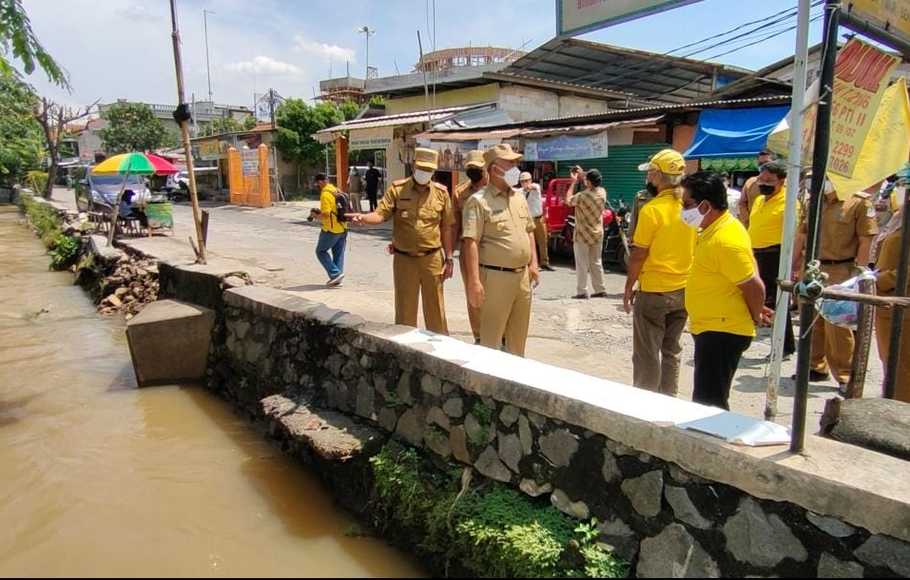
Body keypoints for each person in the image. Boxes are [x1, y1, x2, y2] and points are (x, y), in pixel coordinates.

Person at [681, 172, 770, 410]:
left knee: (709, 403)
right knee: (709, 399)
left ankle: (713, 445)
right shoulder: (715, 230)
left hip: (722, 330)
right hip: (713, 326)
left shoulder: (725, 239)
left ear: (705, 205)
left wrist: (755, 313)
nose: (682, 210)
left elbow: (754, 285)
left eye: (687, 204)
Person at [350, 148, 455, 334]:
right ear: (414, 166)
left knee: (436, 310)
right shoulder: (398, 190)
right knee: (405, 313)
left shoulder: (441, 193)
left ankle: (440, 350)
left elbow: (447, 227)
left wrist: (449, 258)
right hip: (404, 260)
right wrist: (364, 218)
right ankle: (406, 352)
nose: (425, 173)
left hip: (432, 259)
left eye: (429, 170)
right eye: (422, 168)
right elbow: (380, 215)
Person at [792, 177, 879, 392]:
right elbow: (802, 235)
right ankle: (815, 365)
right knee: (810, 319)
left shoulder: (858, 202)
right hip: (812, 268)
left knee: (837, 326)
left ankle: (845, 375)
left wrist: (861, 273)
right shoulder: (814, 202)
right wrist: (793, 266)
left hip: (841, 269)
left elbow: (865, 240)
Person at [624, 149, 695, 396]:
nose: (648, 179)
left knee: (646, 353)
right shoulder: (690, 209)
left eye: (650, 174)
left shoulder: (652, 210)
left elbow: (639, 254)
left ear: (657, 175)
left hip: (654, 290)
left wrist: (628, 286)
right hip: (683, 290)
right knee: (672, 350)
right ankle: (669, 399)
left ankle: (645, 404)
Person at [462, 144, 540, 356]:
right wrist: (474, 281)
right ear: (494, 168)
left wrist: (534, 264)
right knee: (491, 342)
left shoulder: (519, 197)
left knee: (518, 340)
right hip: (495, 277)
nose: (515, 167)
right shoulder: (478, 201)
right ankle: (485, 387)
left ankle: (514, 384)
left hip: (522, 277)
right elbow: (471, 242)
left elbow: (530, 231)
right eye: (510, 163)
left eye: (516, 162)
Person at [748, 160, 796, 358]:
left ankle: (784, 346)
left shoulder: (790, 203)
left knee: (778, 301)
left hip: (775, 255)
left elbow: (795, 234)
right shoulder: (760, 200)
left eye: (769, 180)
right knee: (762, 299)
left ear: (782, 181)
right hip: (756, 254)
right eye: (761, 179)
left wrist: (793, 264)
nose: (763, 183)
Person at [874, 203, 909, 403]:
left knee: (902, 366)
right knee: (891, 361)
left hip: (901, 305)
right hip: (887, 304)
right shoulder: (900, 217)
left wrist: (881, 280)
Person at [454, 150, 488, 343]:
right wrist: (448, 253)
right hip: (468, 251)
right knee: (473, 293)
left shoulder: (495, 189)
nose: (475, 171)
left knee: (495, 294)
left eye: (478, 168)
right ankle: (479, 336)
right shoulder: (460, 192)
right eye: (471, 168)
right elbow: (454, 225)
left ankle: (498, 334)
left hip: (492, 251)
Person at [566, 168, 607, 299]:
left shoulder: (582, 196)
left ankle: (582, 291)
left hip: (582, 234)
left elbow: (568, 200)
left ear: (588, 182)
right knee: (596, 262)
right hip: (597, 233)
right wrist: (582, 173)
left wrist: (573, 182)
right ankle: (600, 289)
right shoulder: (602, 193)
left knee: (582, 264)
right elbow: (591, 181)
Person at [314, 173, 347, 287]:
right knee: (338, 253)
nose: (317, 185)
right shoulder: (336, 190)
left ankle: (335, 274)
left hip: (331, 229)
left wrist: (315, 216)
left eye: (317, 183)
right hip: (343, 227)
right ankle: (337, 278)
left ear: (320, 182)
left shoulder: (325, 194)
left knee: (320, 251)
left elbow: (326, 213)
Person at [520, 172, 554, 272]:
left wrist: (528, 187)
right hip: (527, 220)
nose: (524, 183)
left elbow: (533, 187)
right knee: (529, 242)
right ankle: (530, 263)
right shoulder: (520, 192)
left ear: (530, 180)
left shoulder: (536, 187)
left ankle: (544, 263)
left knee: (543, 241)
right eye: (522, 181)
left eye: (526, 180)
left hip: (538, 219)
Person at [737, 149, 776, 227]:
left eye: (766, 163)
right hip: (753, 227)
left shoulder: (783, 183)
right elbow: (742, 203)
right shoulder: (750, 182)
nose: (763, 166)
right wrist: (747, 220)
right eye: (760, 164)